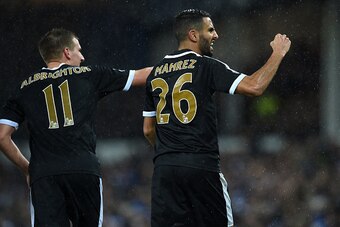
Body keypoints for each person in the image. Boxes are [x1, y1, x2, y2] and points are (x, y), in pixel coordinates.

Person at [143, 9, 291, 227]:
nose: (216, 35)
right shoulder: (205, 66)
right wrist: (278, 53)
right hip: (201, 166)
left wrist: (171, 151)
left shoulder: (155, 73)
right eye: (210, 30)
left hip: (165, 170)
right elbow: (254, 86)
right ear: (193, 35)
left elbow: (148, 129)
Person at [0, 28, 152, 227]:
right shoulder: (89, 75)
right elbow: (142, 76)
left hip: (44, 175)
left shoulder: (24, 88)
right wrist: (177, 67)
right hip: (83, 169)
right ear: (66, 52)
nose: (82, 56)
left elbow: (2, 136)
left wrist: (27, 168)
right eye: (78, 50)